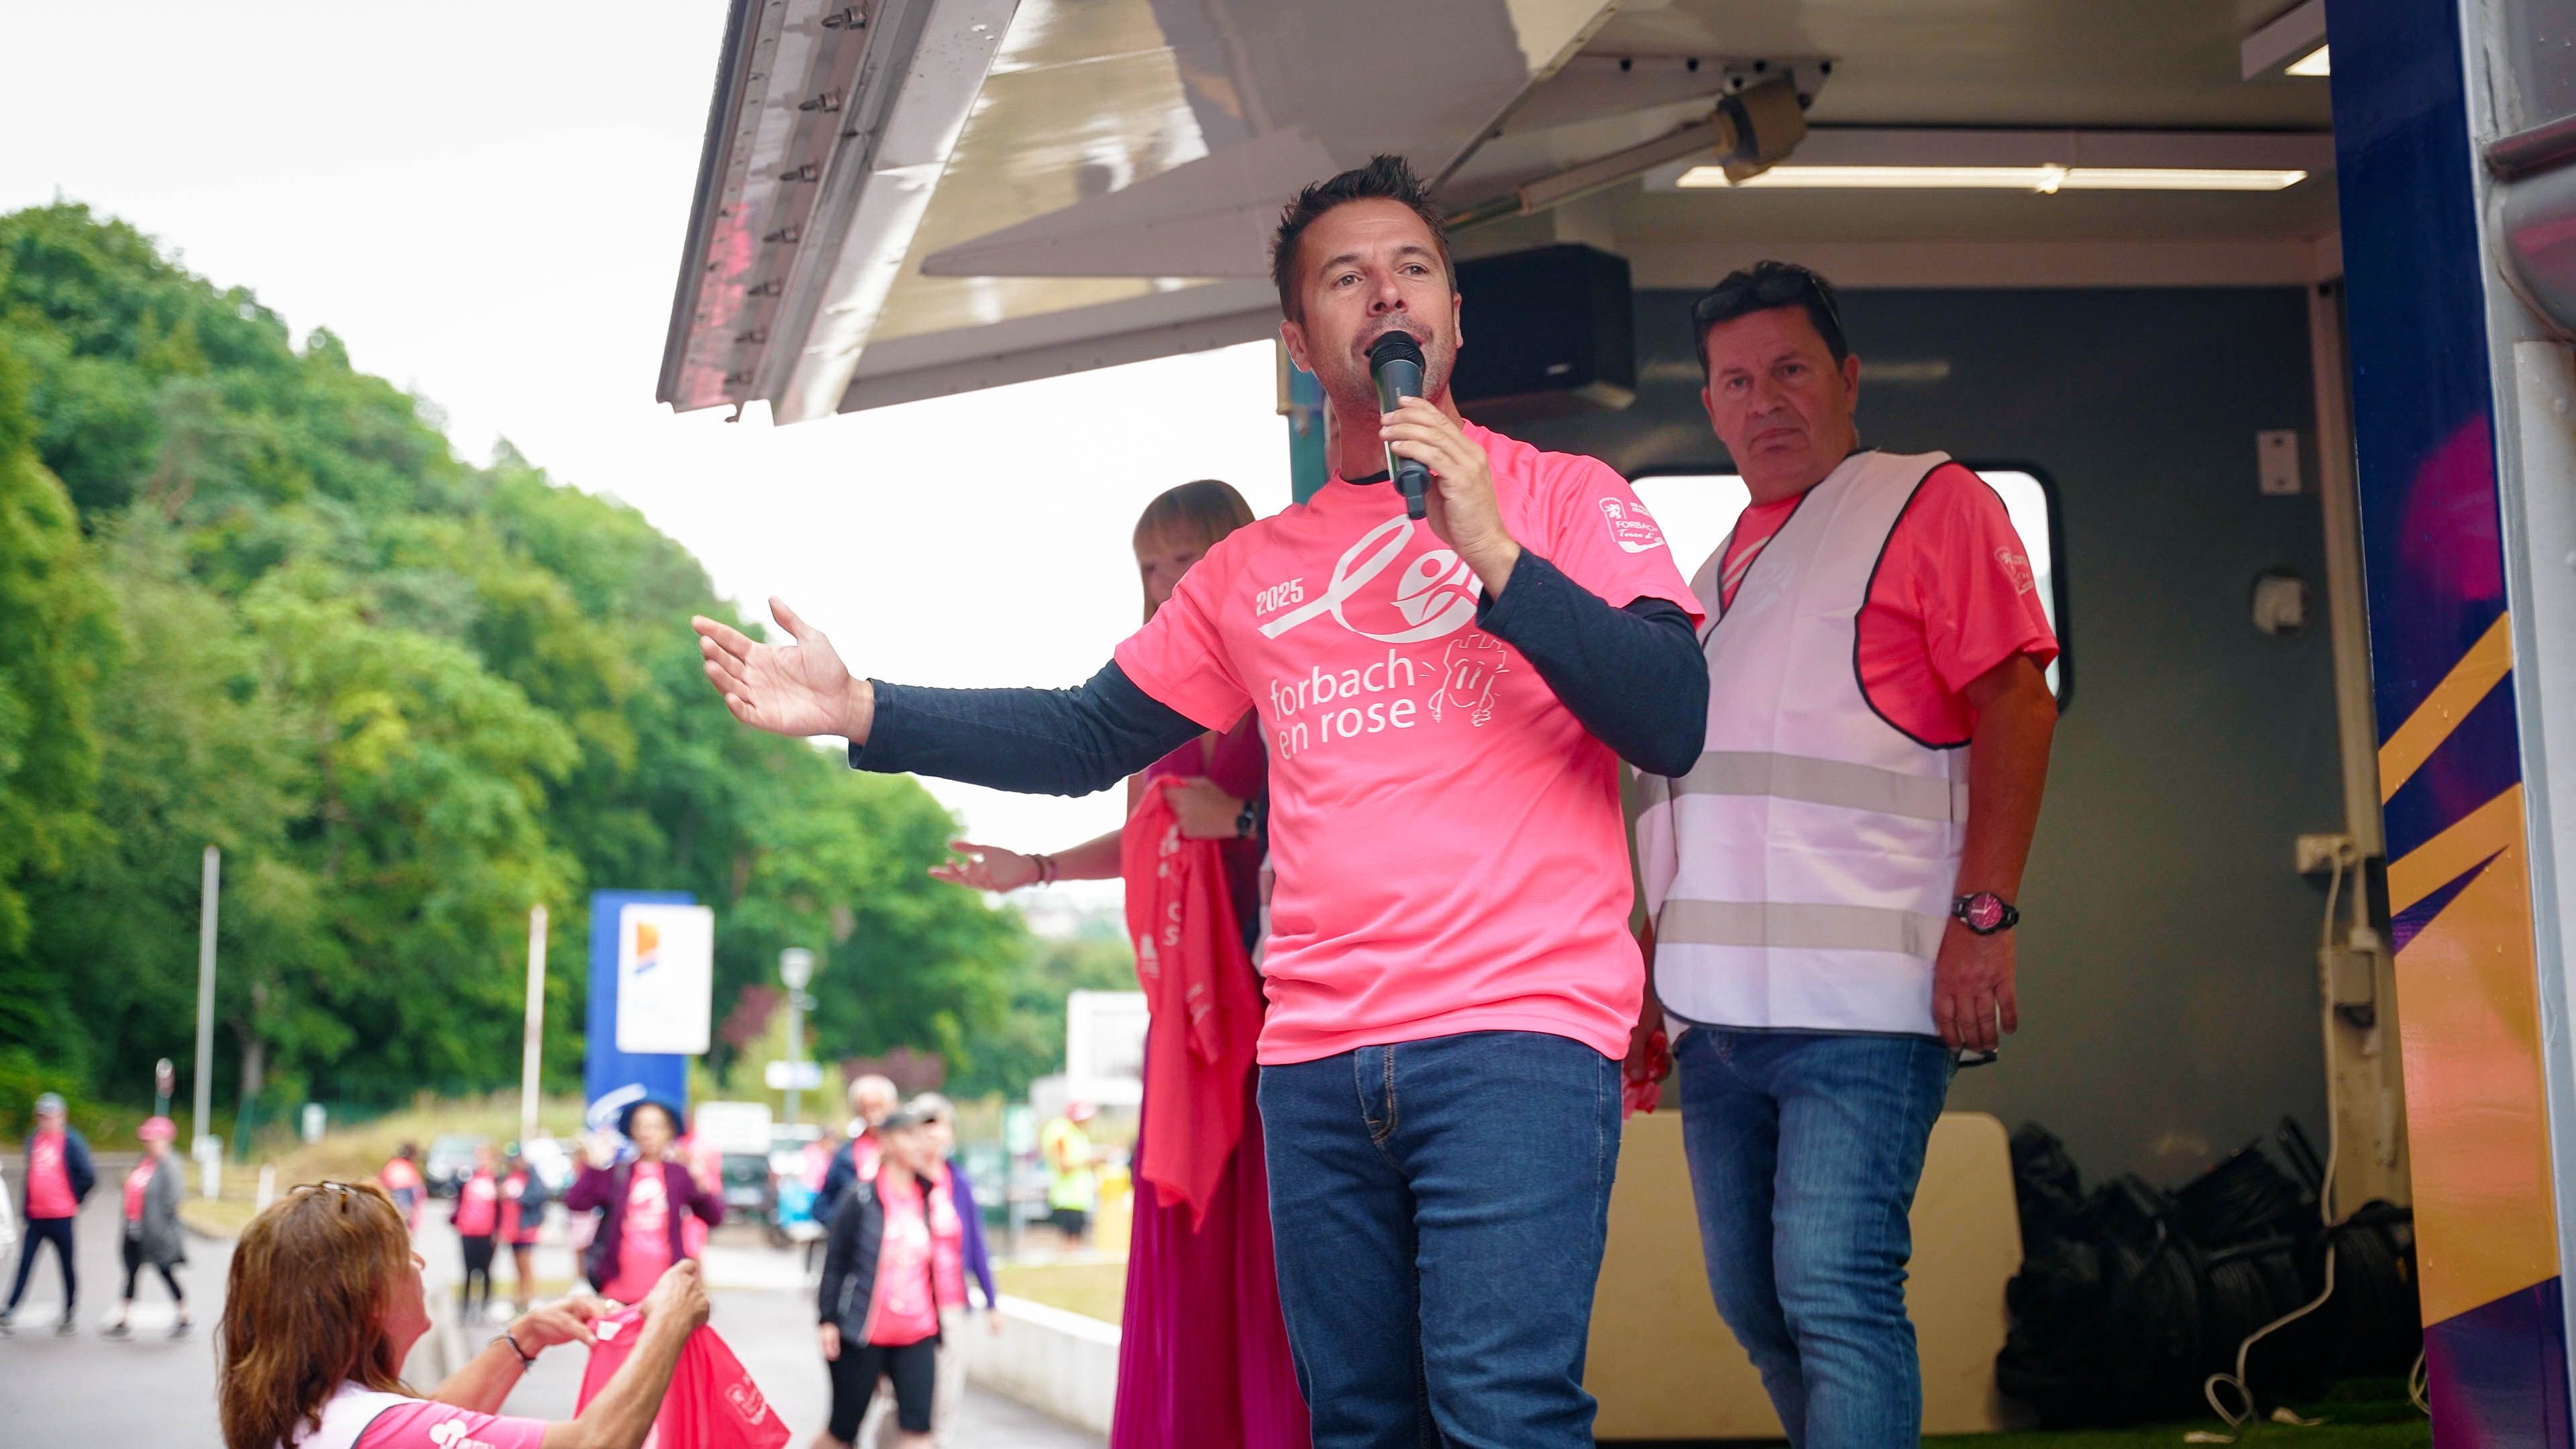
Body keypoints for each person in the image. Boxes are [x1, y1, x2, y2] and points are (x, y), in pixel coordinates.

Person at [694, 154, 1707, 1448]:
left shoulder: (1568, 499)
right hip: (1318, 1062)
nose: (1385, 294)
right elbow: (1083, 734)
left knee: (1503, 1412)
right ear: (1300, 340)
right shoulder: (1249, 572)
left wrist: (1495, 551)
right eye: (1346, 277)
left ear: (1454, 314)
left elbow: (1671, 715)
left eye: (1412, 268)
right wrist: (864, 709)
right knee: (1359, 1425)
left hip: (1516, 1036)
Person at [1631, 260, 2059, 1446]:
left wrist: (1984, 920)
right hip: (1719, 1018)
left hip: (1867, 1005)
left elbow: (2018, 706)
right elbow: (1700, 809)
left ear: (1849, 378)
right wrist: (1652, 984)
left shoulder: (1929, 504)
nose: (1764, 400)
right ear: (1710, 406)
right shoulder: (1713, 580)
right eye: (1736, 381)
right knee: (1754, 1301)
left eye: (1790, 370)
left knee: (1833, 1286)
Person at [932, 479, 1304, 1448]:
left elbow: (1357, 813)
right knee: (1193, 1242)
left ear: (1236, 551)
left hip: (1287, 1004)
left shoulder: (1298, 666)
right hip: (1186, 1017)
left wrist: (1245, 820)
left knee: (1280, 1255)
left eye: (1186, 557)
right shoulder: (1154, 696)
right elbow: (1147, 832)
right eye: (1150, 565)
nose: (1167, 580)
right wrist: (1038, 868)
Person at [215, 1179, 710, 1449]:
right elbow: (593, 1445)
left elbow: (429, 1419)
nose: (420, 1262)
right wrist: (668, 1322)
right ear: (369, 1299)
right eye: (403, 1253)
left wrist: (524, 1339)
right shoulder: (377, 1430)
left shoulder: (320, 1411)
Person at [814, 1109, 957, 1449]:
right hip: (864, 1332)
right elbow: (835, 1262)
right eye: (911, 1136)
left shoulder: (930, 1195)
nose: (921, 1145)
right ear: (888, 1142)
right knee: (842, 1431)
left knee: (919, 1431)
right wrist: (828, 1319)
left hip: (918, 1331)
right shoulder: (860, 1197)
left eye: (924, 1137)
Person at [563, 1101, 724, 1304]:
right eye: (641, 1126)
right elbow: (576, 1203)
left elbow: (714, 1216)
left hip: (665, 1285)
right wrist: (593, 1169)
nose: (648, 1133)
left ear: (669, 1131)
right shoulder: (618, 1173)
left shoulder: (679, 1174)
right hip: (618, 1283)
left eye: (656, 1126)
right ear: (631, 1130)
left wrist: (700, 1180)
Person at [2, 1091, 95, 1336]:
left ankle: (69, 1312)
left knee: (66, 1265)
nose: (45, 1121)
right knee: (25, 1263)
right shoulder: (33, 1140)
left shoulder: (71, 1141)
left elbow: (88, 1175)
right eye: (41, 1116)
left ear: (61, 1116)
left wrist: (76, 1200)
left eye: (50, 1116)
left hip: (62, 1216)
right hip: (36, 1216)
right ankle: (10, 1308)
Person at [105, 1116, 191, 1340]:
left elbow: (173, 1200)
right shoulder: (144, 1162)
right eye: (147, 1139)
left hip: (156, 1234)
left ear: (165, 1139)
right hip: (134, 1229)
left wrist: (157, 1226)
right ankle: (124, 1319)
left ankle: (185, 1316)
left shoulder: (170, 1165)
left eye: (153, 1139)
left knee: (165, 1272)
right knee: (131, 1273)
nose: (149, 1143)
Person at [815, 1074, 900, 1228]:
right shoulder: (845, 1155)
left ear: (893, 1106)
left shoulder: (908, 1151)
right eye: (865, 1108)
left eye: (878, 1106)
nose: (873, 1114)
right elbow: (824, 1203)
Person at [497, 1143, 551, 1317]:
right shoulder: (509, 1176)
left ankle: (529, 1297)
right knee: (516, 1266)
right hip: (512, 1228)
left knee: (526, 1265)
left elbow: (537, 1196)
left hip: (526, 1226)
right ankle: (519, 1298)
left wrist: (516, 1197)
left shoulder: (531, 1176)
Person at [451, 1143, 502, 1322]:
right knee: (468, 1271)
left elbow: (501, 1207)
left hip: (487, 1232)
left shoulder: (497, 1180)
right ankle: (465, 1307)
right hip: (468, 1230)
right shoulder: (468, 1177)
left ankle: (484, 1307)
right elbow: (456, 1193)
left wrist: (498, 1230)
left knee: (486, 1271)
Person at [1036, 1104, 1099, 1250]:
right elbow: (1063, 1165)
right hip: (1066, 1197)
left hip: (1077, 1198)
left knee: (1075, 1238)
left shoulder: (1076, 1133)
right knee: (1069, 1241)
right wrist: (1088, 1161)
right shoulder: (1061, 1131)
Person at [379, 1144, 425, 1232]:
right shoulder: (408, 1167)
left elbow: (381, 1183)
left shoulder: (391, 1165)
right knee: (404, 1225)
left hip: (392, 1198)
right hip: (404, 1198)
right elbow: (418, 1189)